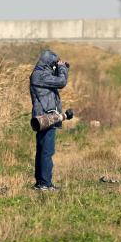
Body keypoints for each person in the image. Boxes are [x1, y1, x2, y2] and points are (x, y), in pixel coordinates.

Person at [29, 49, 69, 191]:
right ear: (48, 63)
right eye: (54, 64)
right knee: (47, 151)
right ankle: (45, 183)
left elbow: (55, 80)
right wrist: (62, 67)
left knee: (42, 151)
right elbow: (62, 81)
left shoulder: (39, 74)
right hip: (46, 118)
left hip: (43, 117)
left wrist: (59, 67)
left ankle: (41, 183)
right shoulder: (39, 76)